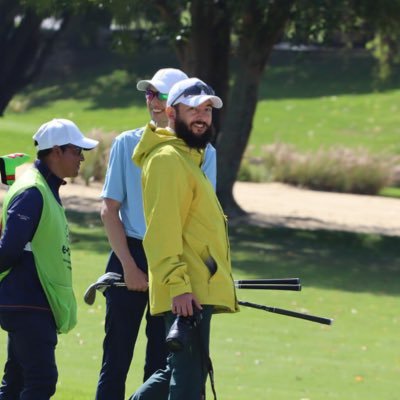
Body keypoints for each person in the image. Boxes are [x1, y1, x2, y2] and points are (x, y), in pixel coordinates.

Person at [96, 68, 217, 400]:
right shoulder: (128, 143)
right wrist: (129, 267)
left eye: (159, 94)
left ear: (171, 105)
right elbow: (110, 209)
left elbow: (198, 221)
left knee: (162, 361)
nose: (151, 101)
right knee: (116, 359)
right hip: (131, 252)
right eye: (148, 93)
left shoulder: (204, 151)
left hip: (173, 258)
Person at [129, 77, 239, 400]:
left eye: (207, 109)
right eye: (192, 109)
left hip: (194, 291)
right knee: (188, 386)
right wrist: (178, 287)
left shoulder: (189, 158)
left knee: (180, 374)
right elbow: (162, 232)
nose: (202, 116)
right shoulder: (167, 160)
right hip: (185, 293)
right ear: (171, 113)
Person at [0, 118, 98, 399]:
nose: (81, 158)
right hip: (28, 301)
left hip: (31, 301)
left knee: (16, 383)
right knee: (41, 381)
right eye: (76, 151)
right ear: (56, 151)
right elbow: (8, 250)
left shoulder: (43, 187)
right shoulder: (33, 190)